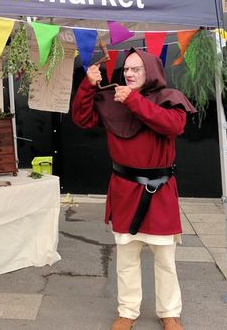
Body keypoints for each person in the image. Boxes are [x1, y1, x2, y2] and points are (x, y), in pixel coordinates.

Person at [72, 49, 196, 330]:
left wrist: (135, 101)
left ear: (150, 71)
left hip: (160, 190)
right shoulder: (113, 98)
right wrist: (88, 85)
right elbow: (82, 119)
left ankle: (169, 312)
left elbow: (172, 125)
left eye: (136, 69)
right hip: (125, 189)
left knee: (164, 258)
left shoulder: (169, 98)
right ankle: (127, 311)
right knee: (126, 257)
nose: (128, 74)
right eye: (126, 69)